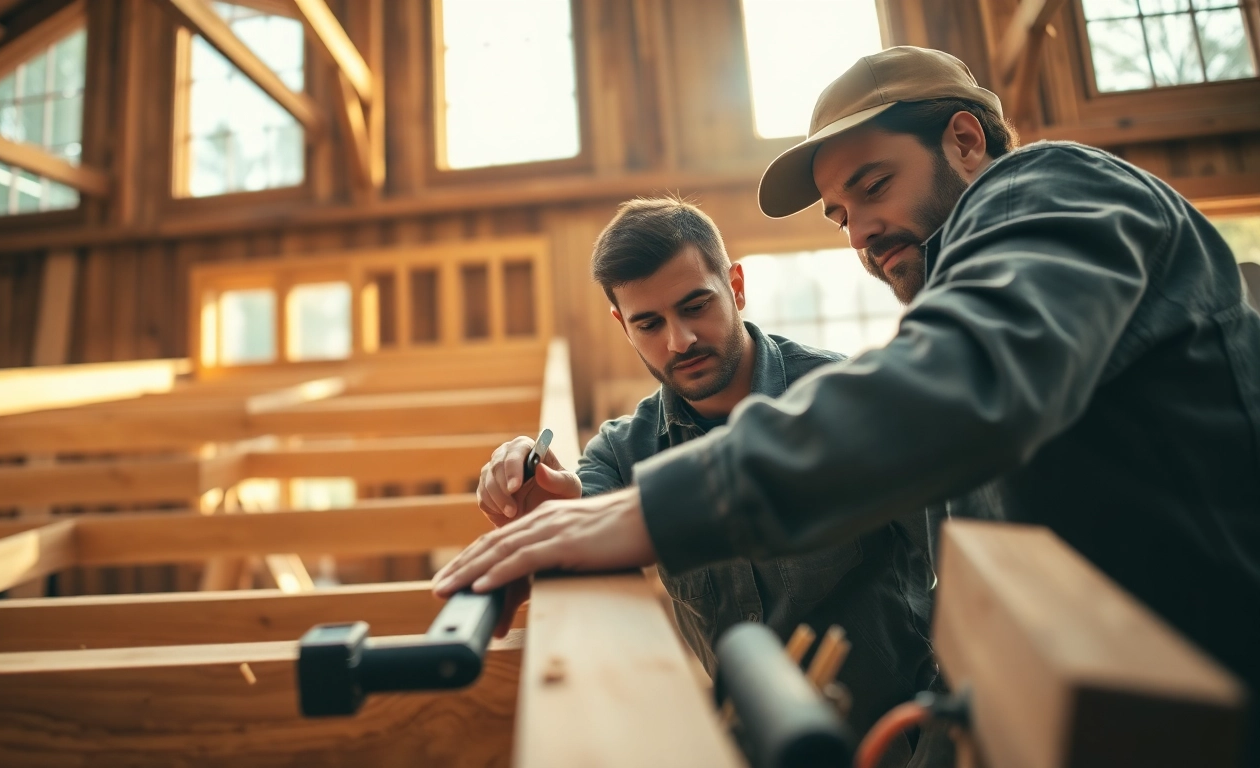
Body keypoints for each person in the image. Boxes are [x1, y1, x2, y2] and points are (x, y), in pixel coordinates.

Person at [433, 46, 1260, 758]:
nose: (860, 230)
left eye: (874, 187)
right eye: (841, 214)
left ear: (965, 141)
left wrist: (657, 508)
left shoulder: (1051, 188)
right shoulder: (950, 309)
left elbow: (965, 381)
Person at [471, 197, 941, 765]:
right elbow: (583, 517)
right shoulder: (624, 451)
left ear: (735, 286)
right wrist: (553, 502)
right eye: (649, 323)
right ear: (623, 326)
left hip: (902, 744)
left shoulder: (848, 401)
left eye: (696, 307)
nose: (680, 341)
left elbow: (960, 572)